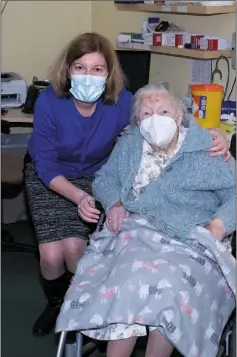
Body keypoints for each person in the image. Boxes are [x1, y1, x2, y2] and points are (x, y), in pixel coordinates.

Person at [25, 31, 230, 337]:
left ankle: (78, 302)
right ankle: (56, 304)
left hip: (95, 175)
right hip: (50, 178)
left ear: (108, 74)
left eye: (97, 69)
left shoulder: (121, 102)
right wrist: (80, 196)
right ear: (68, 70)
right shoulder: (49, 102)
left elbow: (164, 120)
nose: (88, 76)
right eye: (80, 67)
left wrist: (214, 133)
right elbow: (45, 164)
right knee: (53, 256)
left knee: (75, 250)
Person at [56, 83, 236, 357]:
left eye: (163, 111)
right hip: (134, 235)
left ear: (179, 115)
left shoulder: (206, 149)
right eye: (147, 113)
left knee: (169, 289)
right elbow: (105, 179)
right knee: (126, 283)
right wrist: (114, 202)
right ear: (138, 121)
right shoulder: (129, 144)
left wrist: (218, 226)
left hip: (188, 241)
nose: (155, 119)